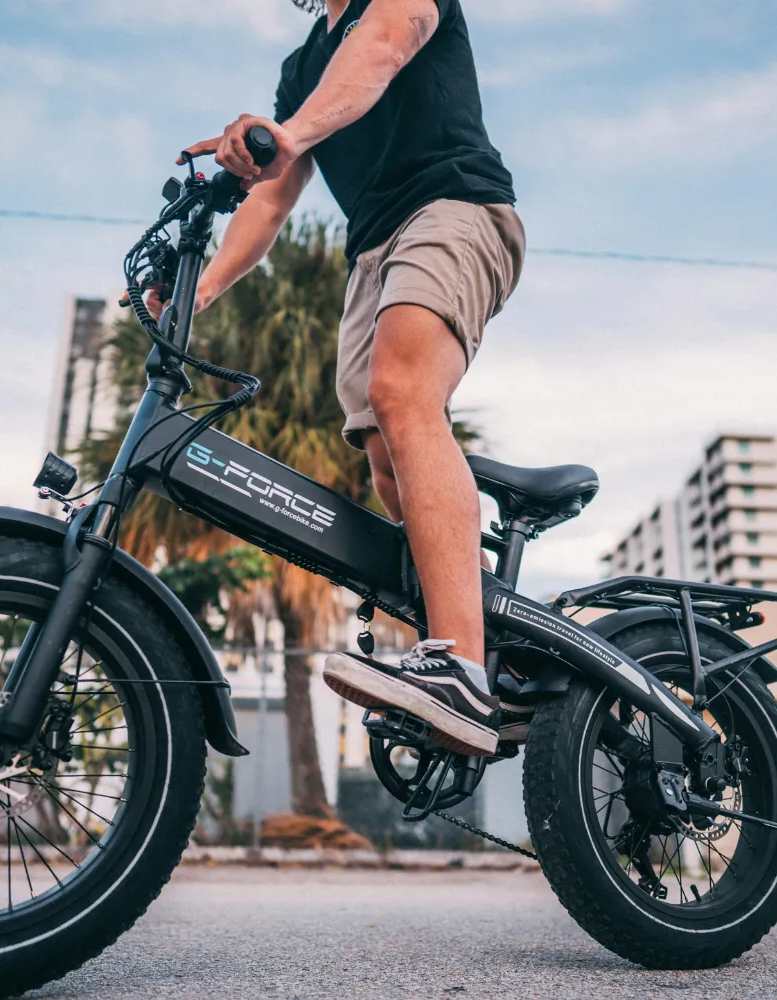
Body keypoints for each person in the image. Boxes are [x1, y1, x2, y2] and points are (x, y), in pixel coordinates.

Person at [151, 0, 525, 756]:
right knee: (385, 455)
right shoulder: (301, 69)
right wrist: (201, 291)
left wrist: (286, 135)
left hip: (454, 207)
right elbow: (272, 200)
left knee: (402, 393)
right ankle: (497, 638)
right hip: (375, 249)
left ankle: (462, 665)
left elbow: (386, 44)